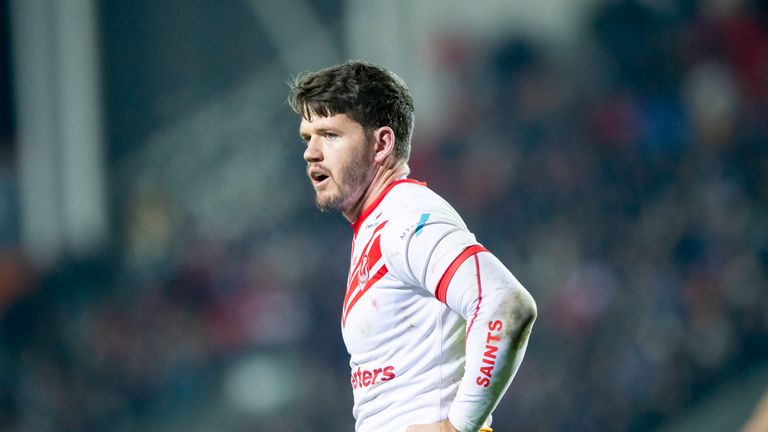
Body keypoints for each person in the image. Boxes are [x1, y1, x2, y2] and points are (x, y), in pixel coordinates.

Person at [288, 60, 537, 432]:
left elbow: (507, 303)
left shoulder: (406, 217)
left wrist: (457, 427)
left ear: (382, 143)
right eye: (308, 137)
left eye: (330, 135)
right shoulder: (378, 223)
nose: (311, 152)